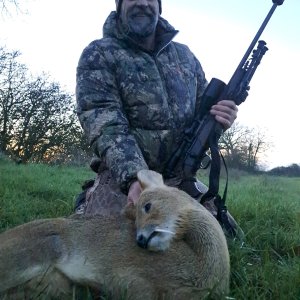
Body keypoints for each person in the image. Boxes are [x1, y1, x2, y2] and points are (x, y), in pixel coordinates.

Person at [75, 0, 239, 234]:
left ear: (159, 6)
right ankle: (92, 195)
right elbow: (104, 122)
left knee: (222, 235)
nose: (142, 3)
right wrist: (135, 178)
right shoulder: (98, 54)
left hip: (180, 178)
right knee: (112, 241)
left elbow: (203, 119)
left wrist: (222, 118)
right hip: (127, 179)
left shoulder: (186, 57)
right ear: (119, 4)